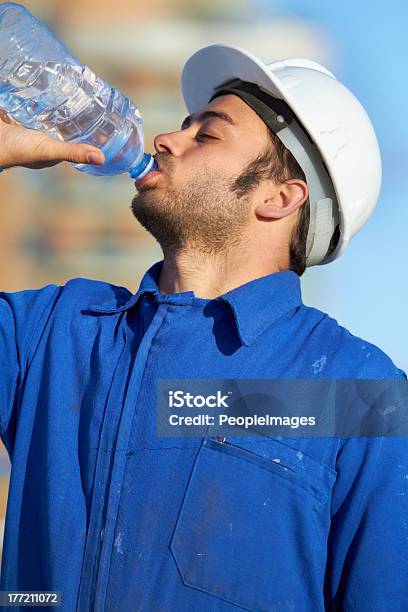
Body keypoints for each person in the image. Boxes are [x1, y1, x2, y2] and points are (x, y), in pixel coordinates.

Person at [0, 44, 407, 612]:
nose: (166, 139)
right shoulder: (52, 332)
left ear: (279, 197)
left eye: (207, 134)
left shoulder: (360, 391)